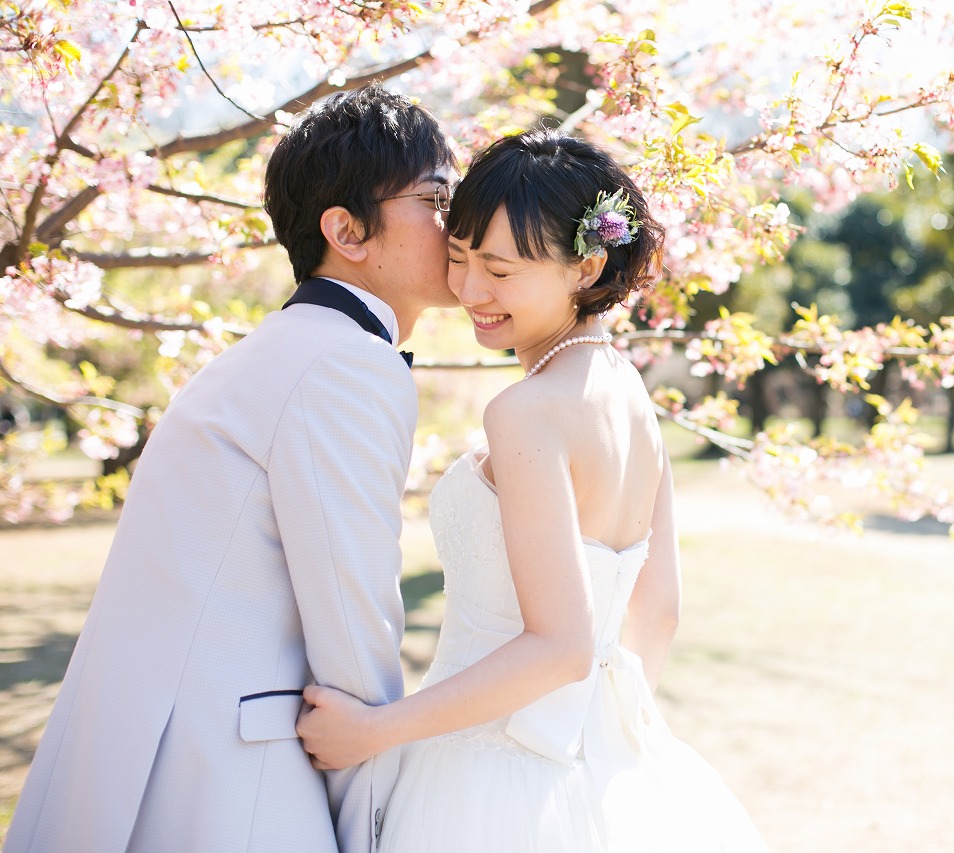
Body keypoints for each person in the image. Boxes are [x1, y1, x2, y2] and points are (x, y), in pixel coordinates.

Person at [3, 82, 456, 853]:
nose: (461, 224)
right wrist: (376, 813)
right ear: (347, 229)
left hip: (159, 758)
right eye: (436, 197)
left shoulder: (275, 351)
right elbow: (353, 629)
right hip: (233, 785)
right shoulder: (346, 363)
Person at [297, 129, 770, 852]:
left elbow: (561, 646)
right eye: (458, 259)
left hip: (484, 781)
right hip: (600, 763)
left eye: (500, 270)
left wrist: (372, 731)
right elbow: (657, 613)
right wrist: (601, 745)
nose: (470, 292)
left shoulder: (526, 411)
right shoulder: (633, 399)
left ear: (585, 264)